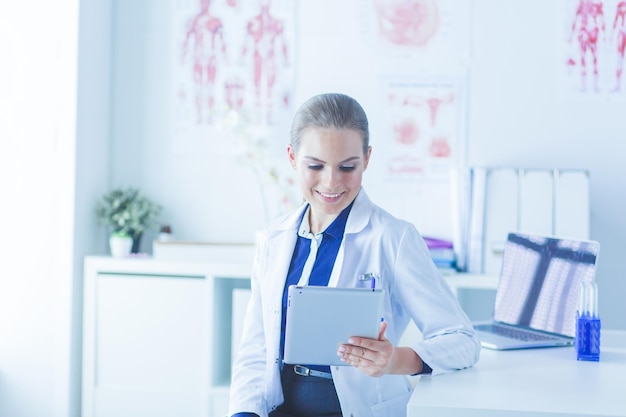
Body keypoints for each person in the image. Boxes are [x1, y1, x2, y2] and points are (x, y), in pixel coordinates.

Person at [228, 93, 480, 417]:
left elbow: (462, 341)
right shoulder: (273, 239)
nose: (331, 182)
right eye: (315, 166)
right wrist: (244, 413)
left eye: (347, 167)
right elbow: (255, 349)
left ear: (367, 159)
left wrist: (395, 360)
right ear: (292, 157)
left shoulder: (393, 237)